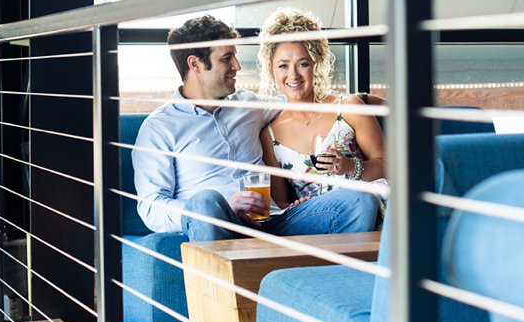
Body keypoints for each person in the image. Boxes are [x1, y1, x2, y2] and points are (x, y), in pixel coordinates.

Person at [132, 14, 378, 242]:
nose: (237, 66)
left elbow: (300, 98)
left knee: (359, 201)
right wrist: (223, 207)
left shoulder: (249, 104)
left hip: (274, 222)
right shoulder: (159, 128)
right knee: (205, 201)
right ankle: (223, 273)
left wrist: (365, 100)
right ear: (195, 64)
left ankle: (327, 274)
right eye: (227, 58)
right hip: (217, 225)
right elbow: (150, 206)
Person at [257, 8, 387, 210]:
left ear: (316, 65)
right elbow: (279, 203)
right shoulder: (269, 135)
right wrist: (297, 207)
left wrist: (350, 167)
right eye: (283, 66)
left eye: (303, 64)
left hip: (369, 210)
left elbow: (387, 166)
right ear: (271, 70)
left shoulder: (349, 108)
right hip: (318, 221)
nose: (293, 75)